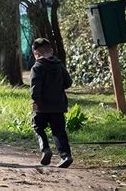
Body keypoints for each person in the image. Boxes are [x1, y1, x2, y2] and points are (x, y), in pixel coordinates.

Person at [30, 38, 73, 168]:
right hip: (59, 105)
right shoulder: (59, 65)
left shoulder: (37, 67)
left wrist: (35, 101)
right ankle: (66, 156)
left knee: (37, 126)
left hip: (42, 106)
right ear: (51, 51)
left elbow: (35, 89)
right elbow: (68, 83)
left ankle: (46, 150)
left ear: (36, 54)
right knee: (59, 130)